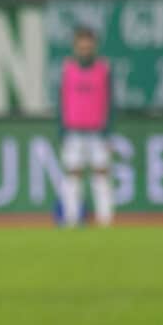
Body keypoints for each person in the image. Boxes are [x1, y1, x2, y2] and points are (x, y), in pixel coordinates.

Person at [57, 27, 115, 227]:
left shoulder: (103, 69)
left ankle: (105, 220)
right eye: (81, 45)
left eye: (88, 44)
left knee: (101, 174)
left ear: (94, 46)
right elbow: (61, 101)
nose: (85, 48)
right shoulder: (68, 69)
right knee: (73, 174)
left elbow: (110, 101)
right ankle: (72, 219)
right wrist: (61, 131)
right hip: (74, 130)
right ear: (75, 46)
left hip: (97, 131)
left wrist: (108, 132)